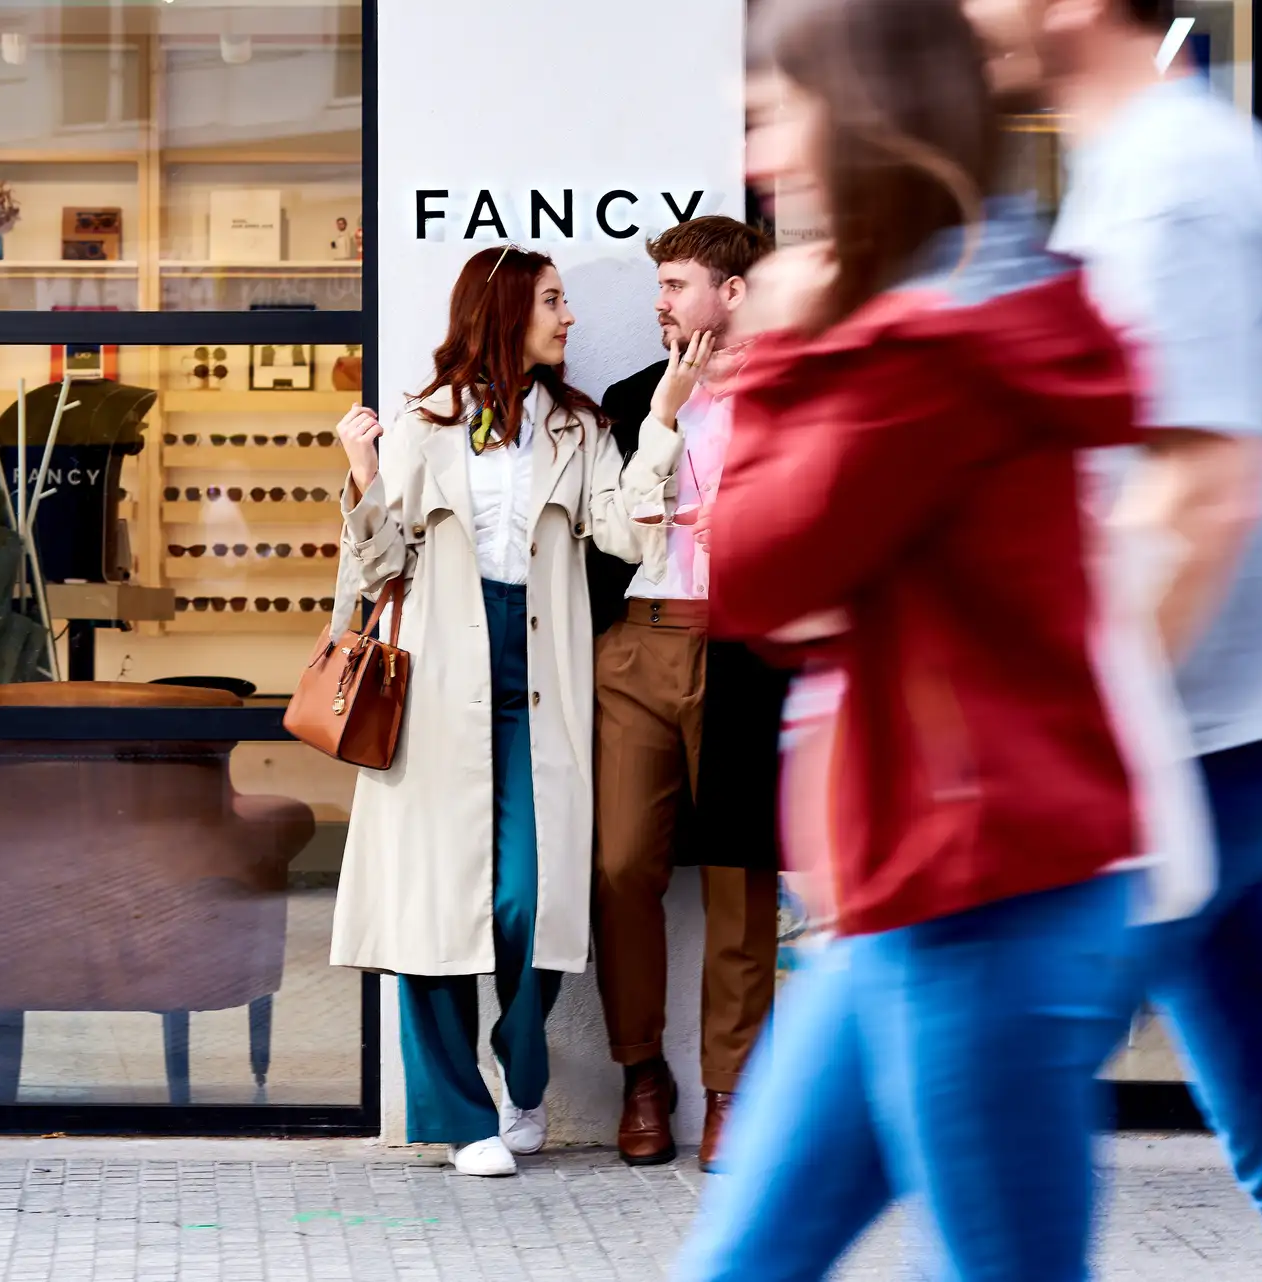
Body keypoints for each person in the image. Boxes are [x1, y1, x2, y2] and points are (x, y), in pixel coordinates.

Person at [677, 0, 1156, 1275]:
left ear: (862, 126)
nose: (767, 159)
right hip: (925, 894)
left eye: (781, 119)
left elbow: (760, 578)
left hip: (977, 897)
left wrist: (773, 352)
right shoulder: (954, 320)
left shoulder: (922, 355)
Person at [962, 0, 1262, 1276]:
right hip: (1228, 737)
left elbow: (1194, 496)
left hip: (1190, 749)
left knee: (972, 1092)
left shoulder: (1169, 183)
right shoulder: (1145, 168)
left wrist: (1049, 741)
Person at [330, 246, 662, 1177]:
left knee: (531, 898)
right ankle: (460, 1116)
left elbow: (630, 537)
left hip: (542, 679)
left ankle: (523, 1078)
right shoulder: (419, 423)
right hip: (436, 684)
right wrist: (361, 473)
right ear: (506, 309)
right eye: (554, 301)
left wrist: (663, 427)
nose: (570, 317)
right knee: (431, 907)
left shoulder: (578, 427)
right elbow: (378, 570)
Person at [582, 215, 789, 1171]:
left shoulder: (796, 399)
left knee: (742, 880)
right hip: (639, 645)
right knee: (622, 866)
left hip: (750, 649)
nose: (657, 302)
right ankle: (641, 1076)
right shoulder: (630, 400)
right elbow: (606, 540)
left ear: (731, 292)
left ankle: (734, 1091)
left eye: (674, 285)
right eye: (658, 285)